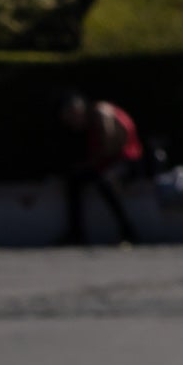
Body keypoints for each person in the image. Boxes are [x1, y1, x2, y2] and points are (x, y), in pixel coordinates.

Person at [52, 87, 140, 247]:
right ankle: (76, 233)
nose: (72, 125)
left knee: (106, 183)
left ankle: (128, 231)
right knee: (74, 180)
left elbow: (111, 145)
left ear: (77, 110)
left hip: (128, 160)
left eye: (71, 119)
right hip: (108, 163)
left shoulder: (101, 112)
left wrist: (92, 163)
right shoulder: (91, 120)